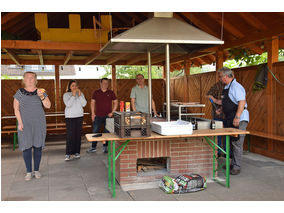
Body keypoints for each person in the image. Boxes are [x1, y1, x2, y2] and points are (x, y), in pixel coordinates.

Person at [13, 71, 51, 181]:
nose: (30, 79)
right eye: (27, 78)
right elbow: (16, 109)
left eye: (32, 77)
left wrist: (42, 97)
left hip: (39, 123)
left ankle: (37, 170)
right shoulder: (19, 92)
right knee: (26, 147)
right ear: (24, 80)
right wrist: (20, 122)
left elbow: (48, 106)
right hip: (24, 124)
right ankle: (29, 171)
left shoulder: (41, 91)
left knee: (38, 146)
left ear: (35, 80)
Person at [216, 67, 249, 175]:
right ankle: (233, 163)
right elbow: (228, 102)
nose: (220, 79)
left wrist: (237, 117)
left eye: (220, 77)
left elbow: (241, 102)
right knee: (231, 142)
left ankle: (237, 167)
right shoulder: (227, 87)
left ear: (225, 76)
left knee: (237, 143)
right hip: (230, 118)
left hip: (238, 119)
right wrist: (221, 109)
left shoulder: (236, 86)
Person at [87, 78, 118, 153]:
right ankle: (93, 147)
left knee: (107, 132)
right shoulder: (96, 92)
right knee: (95, 131)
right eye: (104, 83)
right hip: (97, 115)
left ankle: (105, 147)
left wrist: (112, 112)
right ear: (100, 83)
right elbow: (92, 103)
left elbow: (116, 102)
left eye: (107, 83)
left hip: (108, 116)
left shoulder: (111, 92)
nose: (105, 84)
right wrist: (93, 114)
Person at [63, 80, 87, 161]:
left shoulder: (81, 94)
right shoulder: (66, 95)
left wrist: (79, 95)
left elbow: (84, 104)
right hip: (70, 117)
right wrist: (73, 95)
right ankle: (68, 153)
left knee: (77, 135)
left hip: (79, 116)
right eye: (72, 85)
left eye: (76, 85)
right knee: (70, 135)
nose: (74, 87)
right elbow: (68, 104)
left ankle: (77, 152)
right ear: (69, 87)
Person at [206, 77, 225, 157]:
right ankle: (218, 151)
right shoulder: (217, 85)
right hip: (217, 114)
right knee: (218, 133)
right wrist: (216, 101)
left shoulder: (233, 87)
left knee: (229, 133)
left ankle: (229, 153)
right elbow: (207, 95)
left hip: (229, 114)